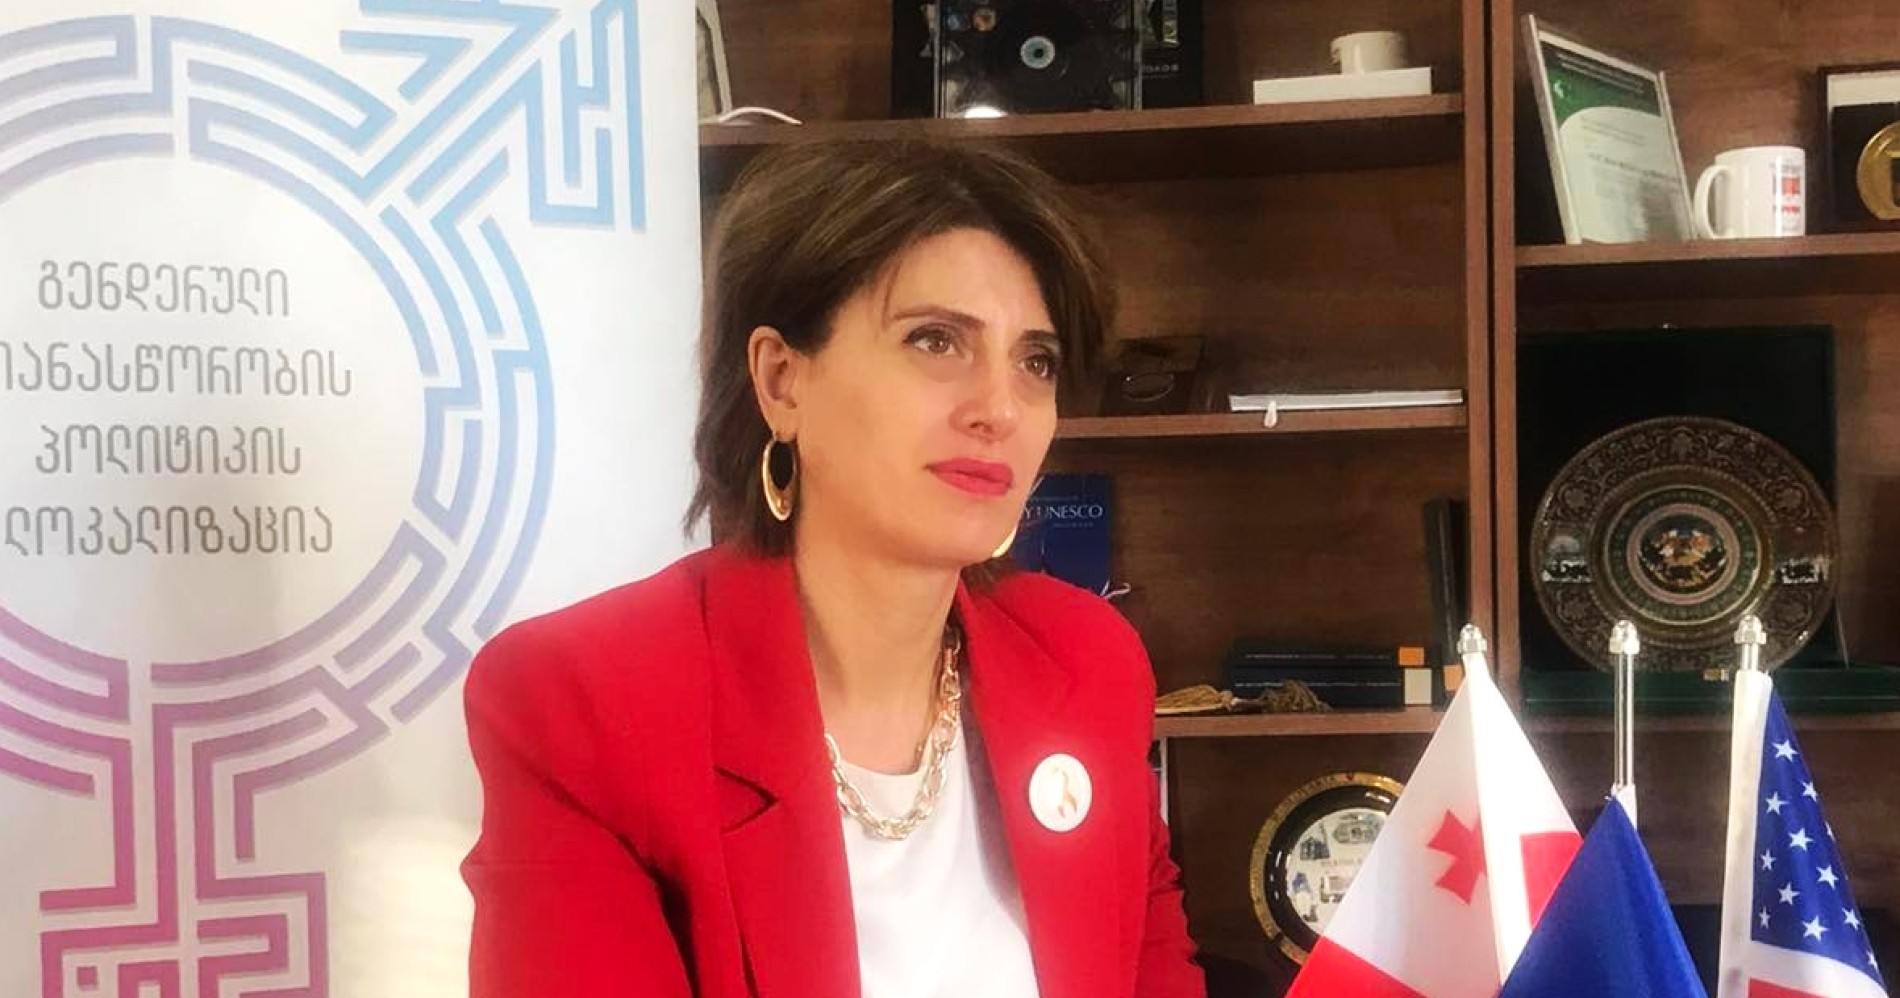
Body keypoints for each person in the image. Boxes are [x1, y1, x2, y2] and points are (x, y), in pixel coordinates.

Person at [460, 139, 1205, 998]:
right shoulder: (585, 703)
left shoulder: (1085, 662)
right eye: (936, 341)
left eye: (1035, 362)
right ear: (782, 381)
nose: (1000, 408)